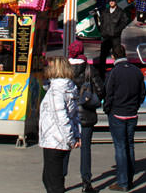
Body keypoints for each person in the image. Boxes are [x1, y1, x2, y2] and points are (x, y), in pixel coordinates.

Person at [104, 44, 146, 191]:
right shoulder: (136, 71)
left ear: (113, 57)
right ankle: (129, 178)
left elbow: (108, 94)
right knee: (130, 145)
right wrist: (136, 105)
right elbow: (143, 93)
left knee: (121, 147)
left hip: (117, 113)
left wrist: (107, 108)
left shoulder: (114, 73)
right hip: (132, 113)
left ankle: (123, 181)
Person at [39, 56, 81, 193]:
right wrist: (75, 134)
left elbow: (61, 118)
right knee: (53, 178)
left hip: (54, 139)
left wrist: (70, 138)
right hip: (59, 139)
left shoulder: (56, 91)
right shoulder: (68, 87)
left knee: (52, 181)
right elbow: (74, 115)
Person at [68, 41, 105, 193]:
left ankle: (60, 179)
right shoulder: (90, 69)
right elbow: (101, 89)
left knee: (65, 147)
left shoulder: (65, 68)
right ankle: (86, 182)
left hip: (70, 113)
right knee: (86, 149)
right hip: (86, 113)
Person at [97, 0, 130, 74]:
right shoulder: (105, 11)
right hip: (106, 37)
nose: (111, 2)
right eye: (110, 1)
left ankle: (119, 71)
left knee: (118, 54)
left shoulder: (120, 12)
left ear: (116, 2)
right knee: (103, 55)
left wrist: (117, 30)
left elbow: (124, 22)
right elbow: (101, 21)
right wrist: (102, 31)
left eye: (113, 1)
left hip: (115, 37)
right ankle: (101, 72)